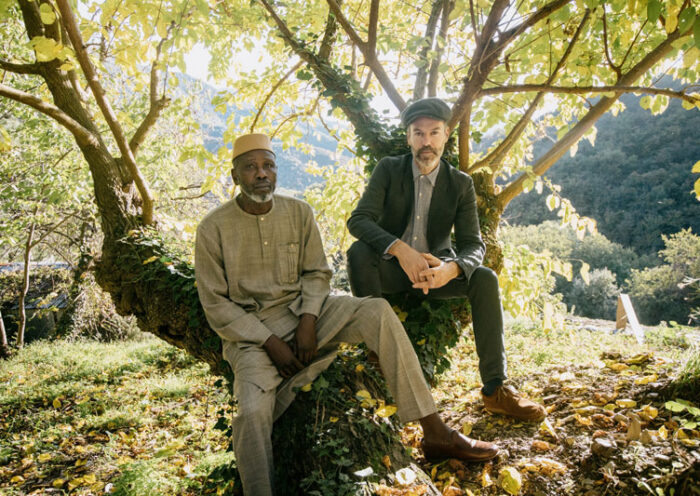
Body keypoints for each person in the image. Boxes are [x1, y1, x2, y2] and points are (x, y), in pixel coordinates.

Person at [195, 133, 500, 495]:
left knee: (376, 311)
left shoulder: (299, 212)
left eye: (268, 166)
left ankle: (435, 431)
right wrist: (270, 341)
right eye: (251, 167)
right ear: (235, 177)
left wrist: (308, 320)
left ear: (276, 172)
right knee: (249, 411)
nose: (261, 174)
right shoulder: (213, 228)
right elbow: (215, 303)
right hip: (253, 335)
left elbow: (317, 274)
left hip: (306, 313)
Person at [346, 98, 546, 423]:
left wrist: (448, 270)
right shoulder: (388, 169)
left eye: (434, 133)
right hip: (391, 273)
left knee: (484, 278)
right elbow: (359, 220)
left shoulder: (461, 184)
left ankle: (496, 390)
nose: (426, 142)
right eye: (419, 133)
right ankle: (377, 354)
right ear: (408, 137)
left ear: (446, 135)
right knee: (358, 253)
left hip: (437, 275)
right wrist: (401, 250)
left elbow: (473, 245)